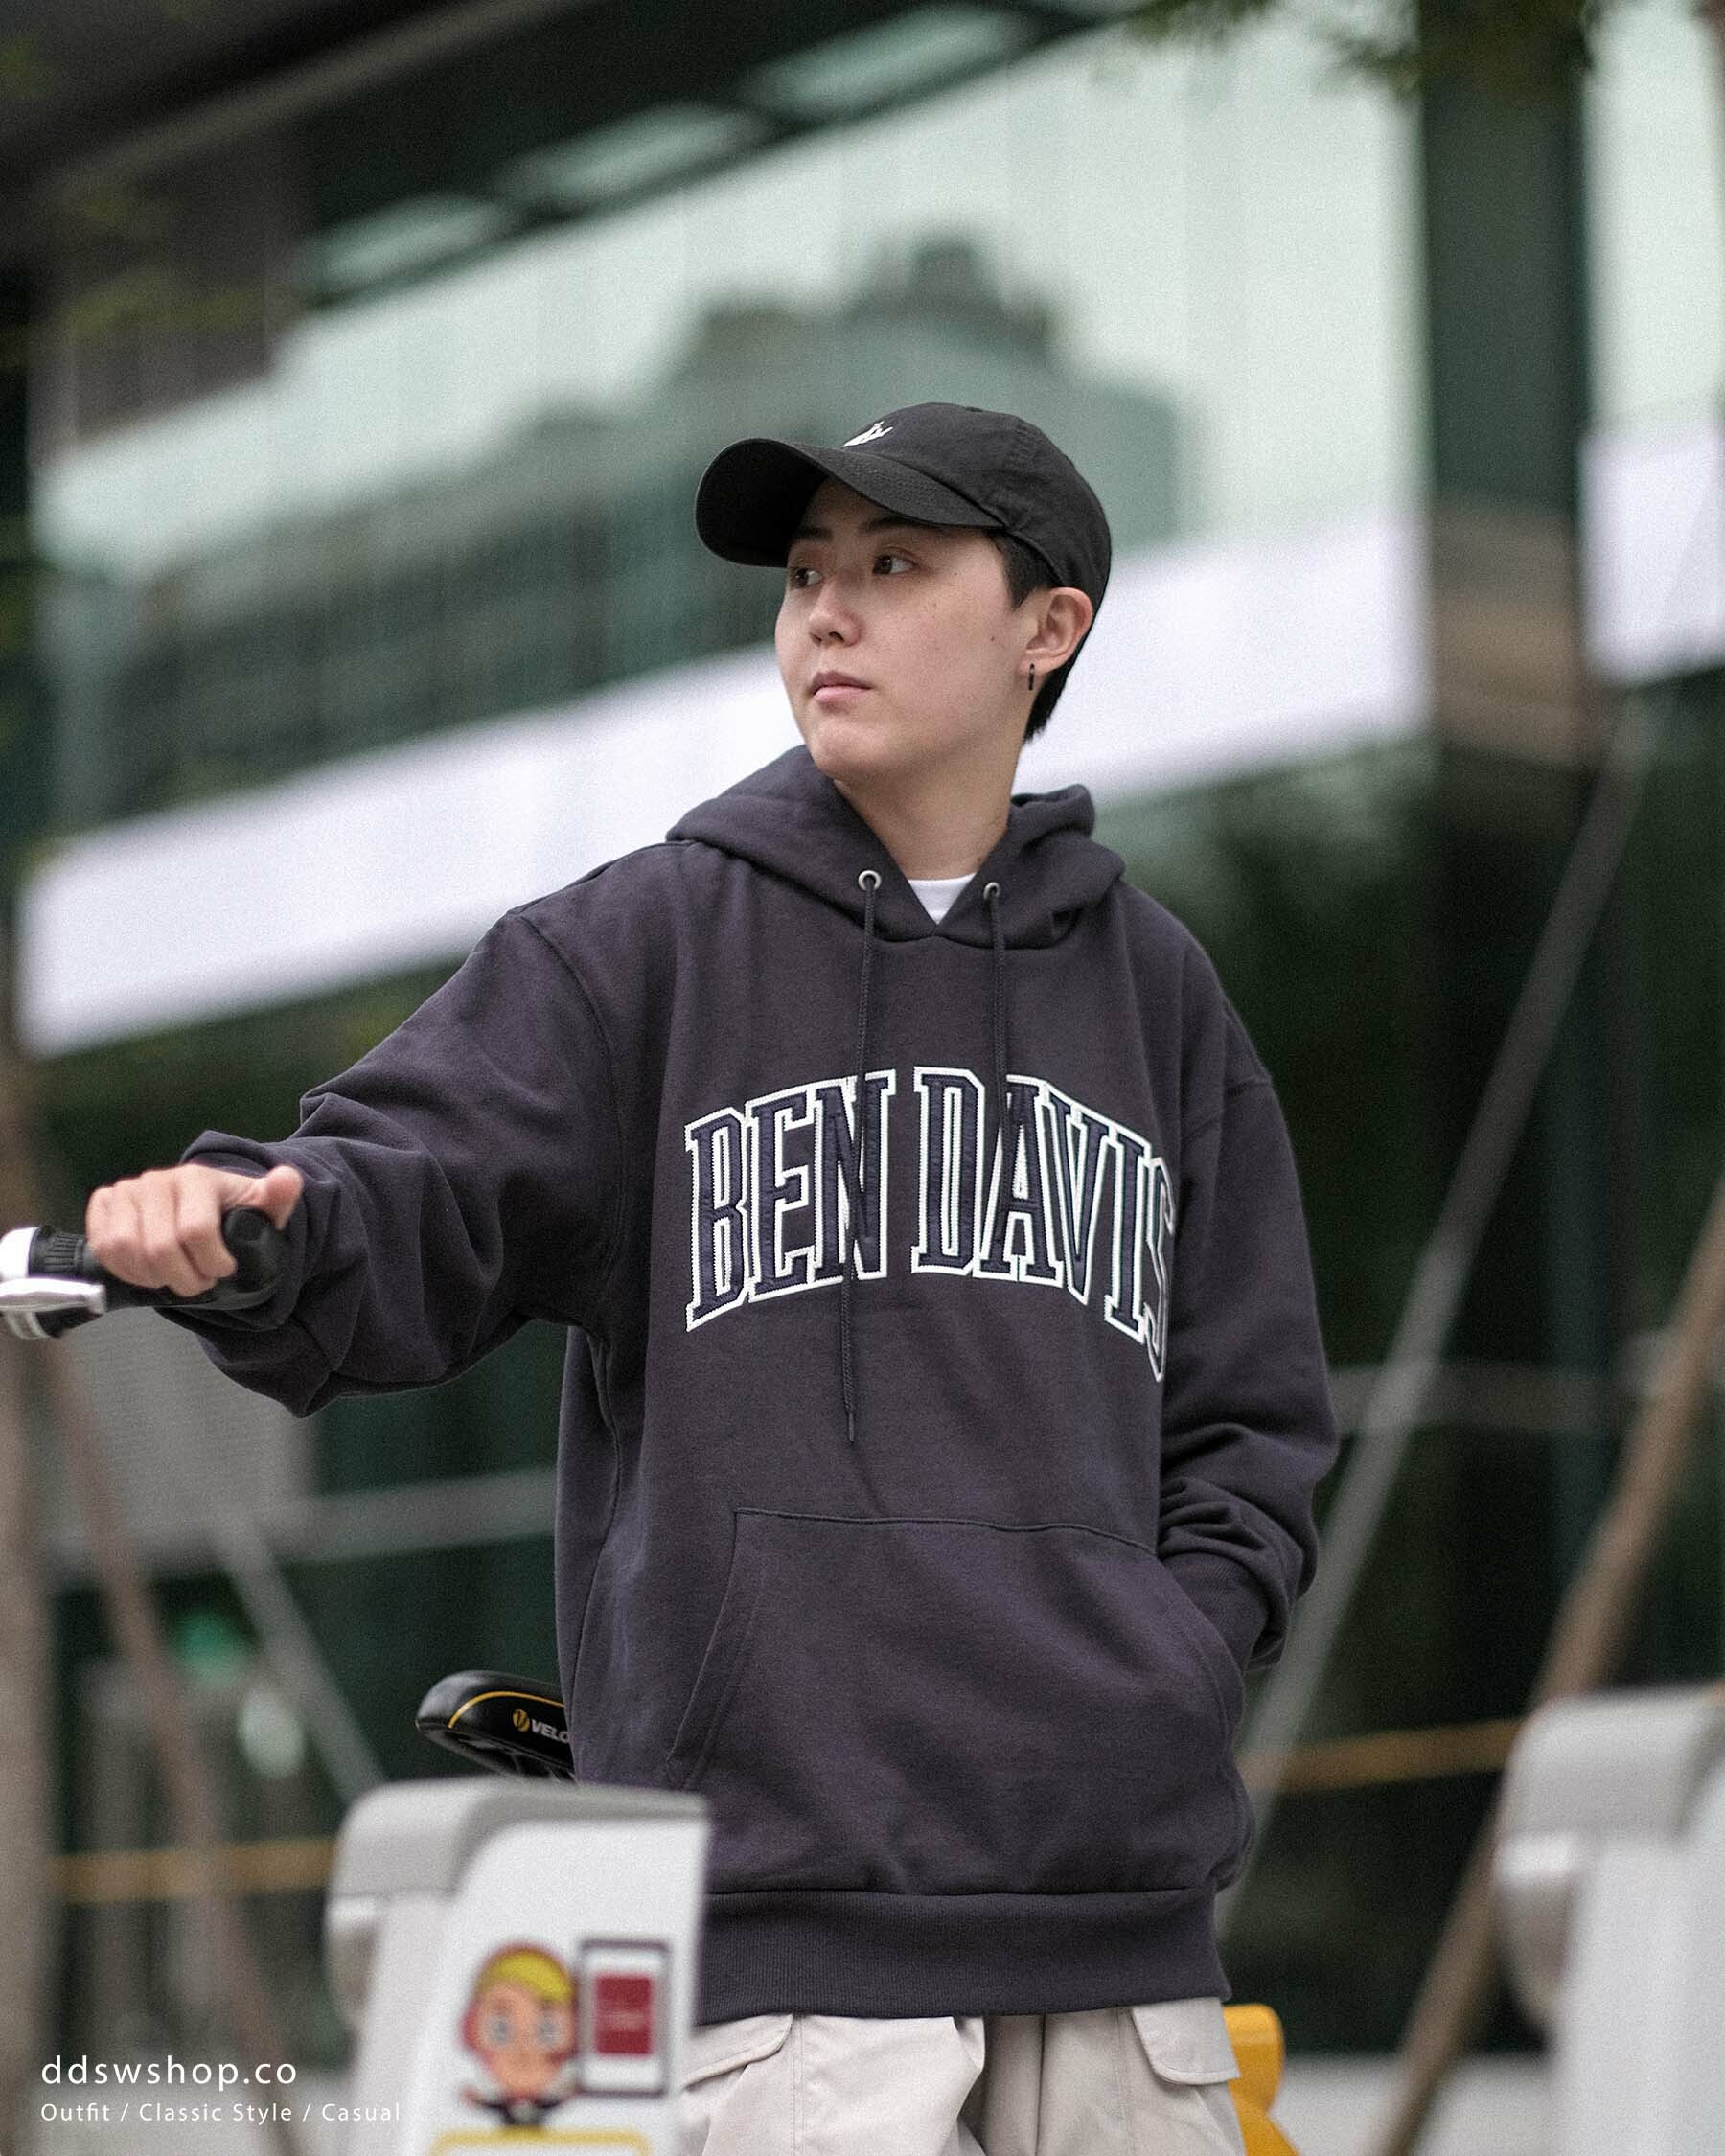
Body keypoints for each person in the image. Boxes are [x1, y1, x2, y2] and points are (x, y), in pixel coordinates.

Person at [85, 402, 1339, 2155]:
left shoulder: (1159, 996)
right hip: (780, 1965)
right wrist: (245, 1229)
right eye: (806, 573)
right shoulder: (646, 948)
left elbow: (1253, 1419)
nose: (828, 610)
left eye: (893, 564)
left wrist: (1165, 1668)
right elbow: (403, 1186)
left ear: (1047, 626)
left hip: (1119, 1937)